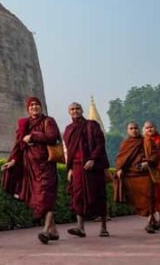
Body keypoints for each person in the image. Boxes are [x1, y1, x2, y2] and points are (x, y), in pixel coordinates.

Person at [1, 96, 61, 244]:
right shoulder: (24, 124)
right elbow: (19, 145)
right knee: (39, 197)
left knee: (47, 195)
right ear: (28, 109)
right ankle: (53, 230)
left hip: (46, 165)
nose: (34, 107)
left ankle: (45, 231)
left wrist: (33, 136)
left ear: (41, 107)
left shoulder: (48, 121)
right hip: (31, 166)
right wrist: (12, 161)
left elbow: (53, 137)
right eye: (31, 105)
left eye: (36, 105)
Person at [62, 102, 109, 238]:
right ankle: (80, 227)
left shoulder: (92, 125)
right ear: (69, 112)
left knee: (99, 194)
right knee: (77, 196)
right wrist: (70, 168)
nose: (75, 111)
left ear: (82, 110)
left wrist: (93, 159)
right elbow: (70, 151)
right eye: (72, 109)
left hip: (93, 166)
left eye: (77, 108)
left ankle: (104, 227)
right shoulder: (69, 129)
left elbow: (100, 143)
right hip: (77, 166)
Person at [114, 121, 160, 233]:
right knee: (138, 199)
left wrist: (148, 162)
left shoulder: (146, 141)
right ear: (127, 131)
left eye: (136, 128)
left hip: (145, 174)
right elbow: (121, 158)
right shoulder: (125, 143)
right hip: (131, 175)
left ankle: (150, 223)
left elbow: (155, 155)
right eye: (131, 128)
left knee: (149, 197)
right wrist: (120, 169)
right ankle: (153, 220)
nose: (134, 130)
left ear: (139, 129)